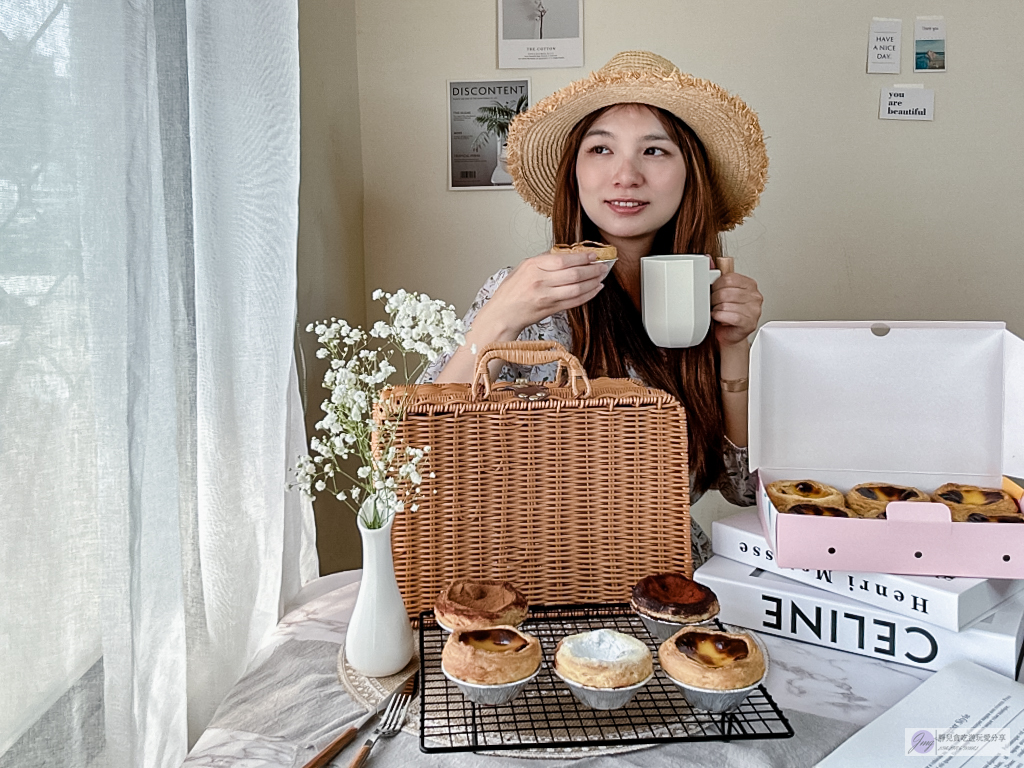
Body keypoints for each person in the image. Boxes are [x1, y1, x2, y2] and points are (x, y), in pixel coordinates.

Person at [422, 51, 768, 566]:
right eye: (601, 148)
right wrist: (501, 317)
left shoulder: (705, 298)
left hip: (672, 575)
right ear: (575, 172)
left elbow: (745, 489)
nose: (625, 175)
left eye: (654, 151)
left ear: (689, 174)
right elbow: (423, 453)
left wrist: (735, 350)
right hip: (531, 574)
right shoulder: (524, 291)